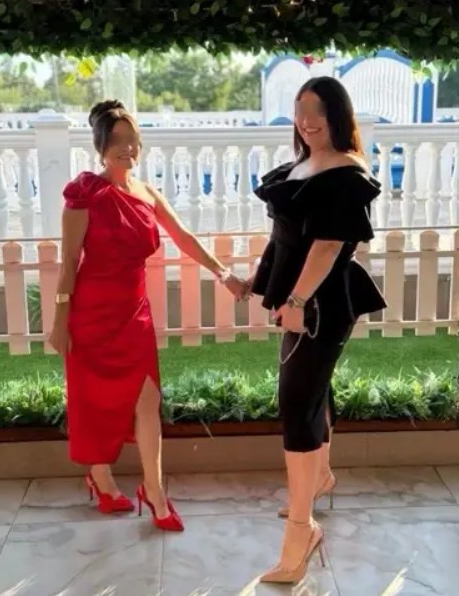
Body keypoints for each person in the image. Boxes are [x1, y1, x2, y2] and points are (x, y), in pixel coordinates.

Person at [49, 100, 247, 533]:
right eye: (117, 141)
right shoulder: (84, 196)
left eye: (132, 140)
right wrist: (60, 320)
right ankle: (102, 479)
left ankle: (153, 490)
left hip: (133, 312)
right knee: (92, 397)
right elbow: (69, 263)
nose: (127, 148)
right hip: (91, 313)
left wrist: (224, 274)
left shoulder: (146, 193)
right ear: (101, 146)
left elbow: (184, 236)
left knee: (148, 400)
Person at [248, 77, 387, 583]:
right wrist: (258, 283)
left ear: (338, 115)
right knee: (312, 393)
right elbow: (283, 238)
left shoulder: (346, 171)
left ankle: (301, 532)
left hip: (321, 304)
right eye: (300, 109)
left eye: (318, 110)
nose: (307, 120)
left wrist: (298, 301)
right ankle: (320, 477)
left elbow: (328, 246)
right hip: (301, 300)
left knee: (297, 403)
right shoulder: (303, 165)